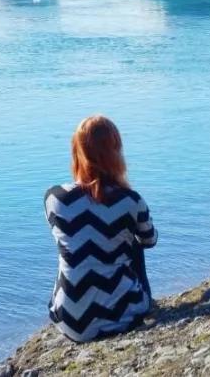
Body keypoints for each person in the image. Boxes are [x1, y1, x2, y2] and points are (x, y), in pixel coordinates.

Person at [44, 115, 158, 342]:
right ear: (115, 153)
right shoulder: (130, 200)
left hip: (69, 321)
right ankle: (127, 299)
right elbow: (150, 240)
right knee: (134, 242)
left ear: (76, 151)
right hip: (124, 316)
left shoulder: (54, 198)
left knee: (72, 245)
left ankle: (80, 301)